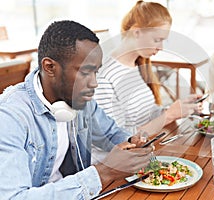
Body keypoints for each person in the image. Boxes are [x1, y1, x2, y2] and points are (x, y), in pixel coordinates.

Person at [0, 20, 153, 200]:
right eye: (85, 72)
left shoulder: (79, 99)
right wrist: (104, 172)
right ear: (50, 67)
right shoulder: (10, 117)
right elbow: (13, 198)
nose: (94, 83)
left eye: (96, 72)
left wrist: (130, 141)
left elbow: (110, 134)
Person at [94, 1, 202, 136]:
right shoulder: (104, 75)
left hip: (147, 146)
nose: (161, 47)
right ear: (137, 32)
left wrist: (179, 108)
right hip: (119, 156)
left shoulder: (135, 65)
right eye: (157, 40)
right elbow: (116, 138)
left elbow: (147, 114)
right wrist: (168, 115)